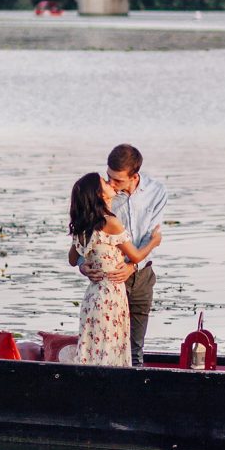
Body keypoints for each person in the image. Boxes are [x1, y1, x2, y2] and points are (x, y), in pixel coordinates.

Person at [71, 143, 166, 364]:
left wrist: (133, 266)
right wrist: (83, 264)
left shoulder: (157, 192)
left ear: (134, 176)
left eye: (118, 180)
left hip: (140, 276)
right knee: (107, 346)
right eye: (109, 178)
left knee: (133, 347)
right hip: (108, 283)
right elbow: (91, 233)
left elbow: (152, 231)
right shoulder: (105, 196)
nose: (112, 184)